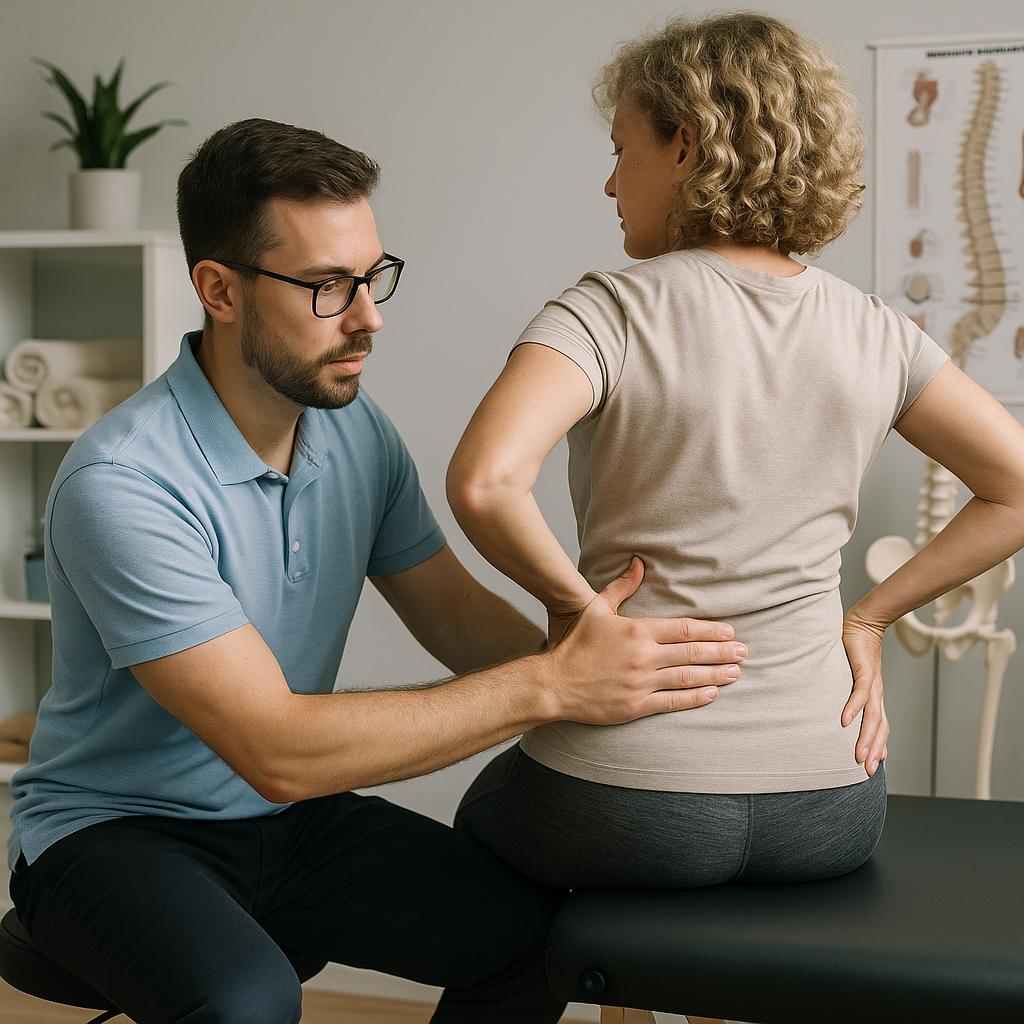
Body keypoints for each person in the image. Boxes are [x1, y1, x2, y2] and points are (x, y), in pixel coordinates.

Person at [7, 118, 748, 1024]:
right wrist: (553, 687)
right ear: (218, 289)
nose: (369, 316)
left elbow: (455, 619)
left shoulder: (354, 431)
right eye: (327, 287)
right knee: (246, 1004)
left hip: (287, 822)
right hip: (116, 834)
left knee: (538, 942)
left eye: (372, 277)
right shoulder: (122, 483)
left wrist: (605, 664)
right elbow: (275, 749)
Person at [447, 12, 1024, 891]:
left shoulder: (607, 310)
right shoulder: (877, 330)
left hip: (625, 801)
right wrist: (866, 620)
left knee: (478, 829)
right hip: (832, 802)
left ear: (686, 147)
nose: (609, 184)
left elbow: (486, 484)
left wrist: (576, 614)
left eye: (621, 149)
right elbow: (1016, 486)